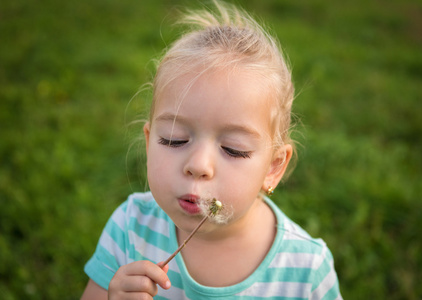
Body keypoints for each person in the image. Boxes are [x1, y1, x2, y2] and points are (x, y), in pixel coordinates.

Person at [81, 1, 342, 299]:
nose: (199, 165)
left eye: (233, 149)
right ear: (149, 141)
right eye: (174, 140)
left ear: (273, 168)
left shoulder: (305, 270)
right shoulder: (130, 229)